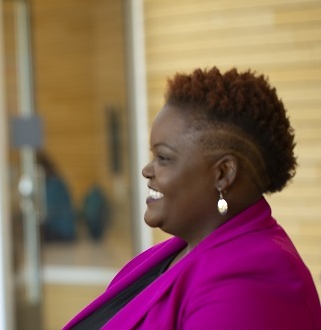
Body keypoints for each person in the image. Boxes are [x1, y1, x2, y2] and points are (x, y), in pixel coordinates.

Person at [64, 67, 321, 329]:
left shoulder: (250, 284)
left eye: (163, 158)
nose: (147, 170)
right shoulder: (175, 254)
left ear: (223, 174)